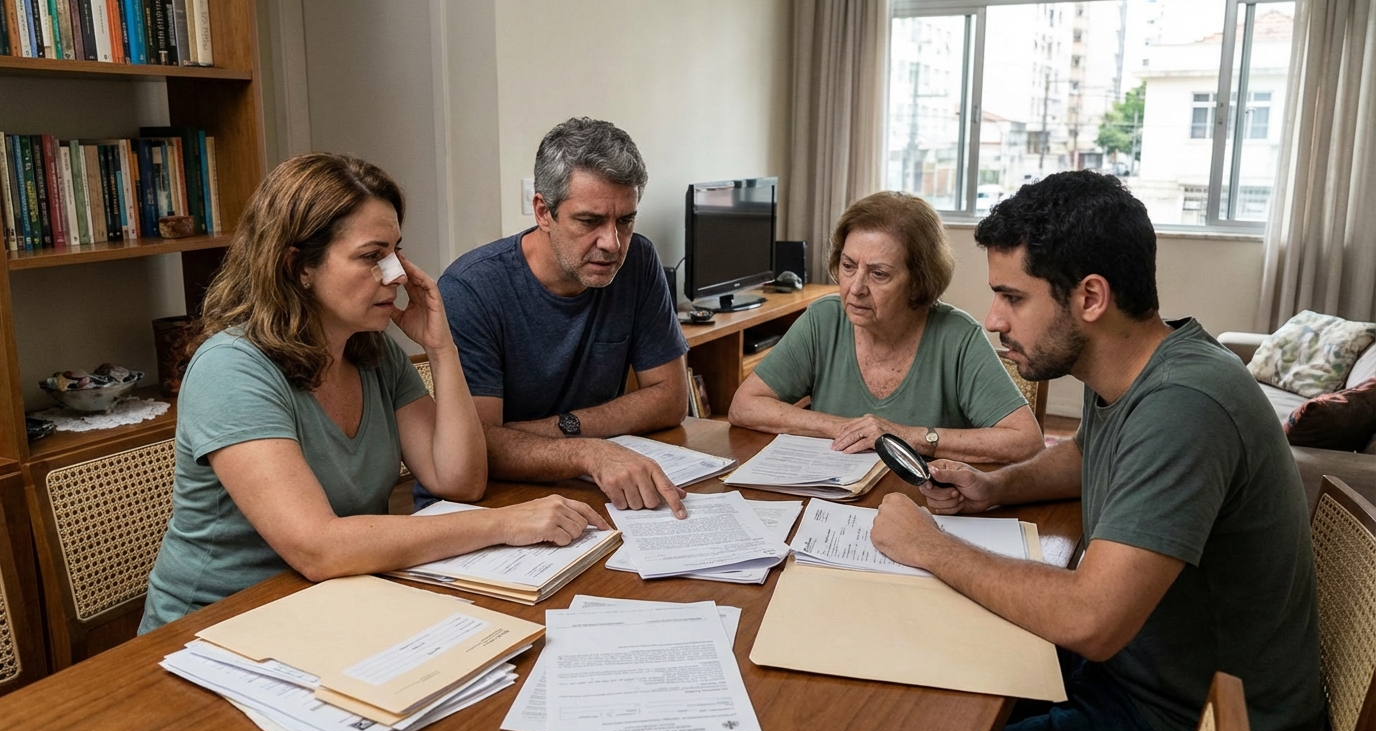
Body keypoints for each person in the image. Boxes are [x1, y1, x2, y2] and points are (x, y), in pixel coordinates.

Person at [869, 171, 1323, 731]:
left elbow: (1091, 618)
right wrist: (994, 486)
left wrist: (931, 547)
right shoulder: (1129, 363)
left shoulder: (1185, 405)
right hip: (1133, 679)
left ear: (1089, 297)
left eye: (1013, 296)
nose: (994, 319)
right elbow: (1087, 456)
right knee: (915, 693)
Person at [140, 153, 607, 633]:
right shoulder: (231, 368)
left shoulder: (372, 351)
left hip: (329, 609)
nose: (396, 275)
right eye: (371, 256)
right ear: (299, 266)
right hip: (213, 630)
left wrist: (440, 347)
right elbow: (318, 547)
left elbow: (458, 480)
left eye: (394, 253)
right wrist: (505, 523)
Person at [423, 118, 691, 517]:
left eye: (625, 220)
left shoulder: (639, 260)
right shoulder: (471, 288)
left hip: (592, 494)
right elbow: (476, 449)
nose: (612, 244)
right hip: (494, 504)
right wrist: (586, 452)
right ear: (543, 211)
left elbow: (670, 400)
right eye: (589, 221)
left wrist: (556, 433)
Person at [728, 191, 1043, 463]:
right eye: (848, 266)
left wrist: (905, 436)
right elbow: (744, 406)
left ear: (918, 282)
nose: (855, 288)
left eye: (878, 274)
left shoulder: (957, 336)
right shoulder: (824, 319)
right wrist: (845, 428)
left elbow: (1026, 442)